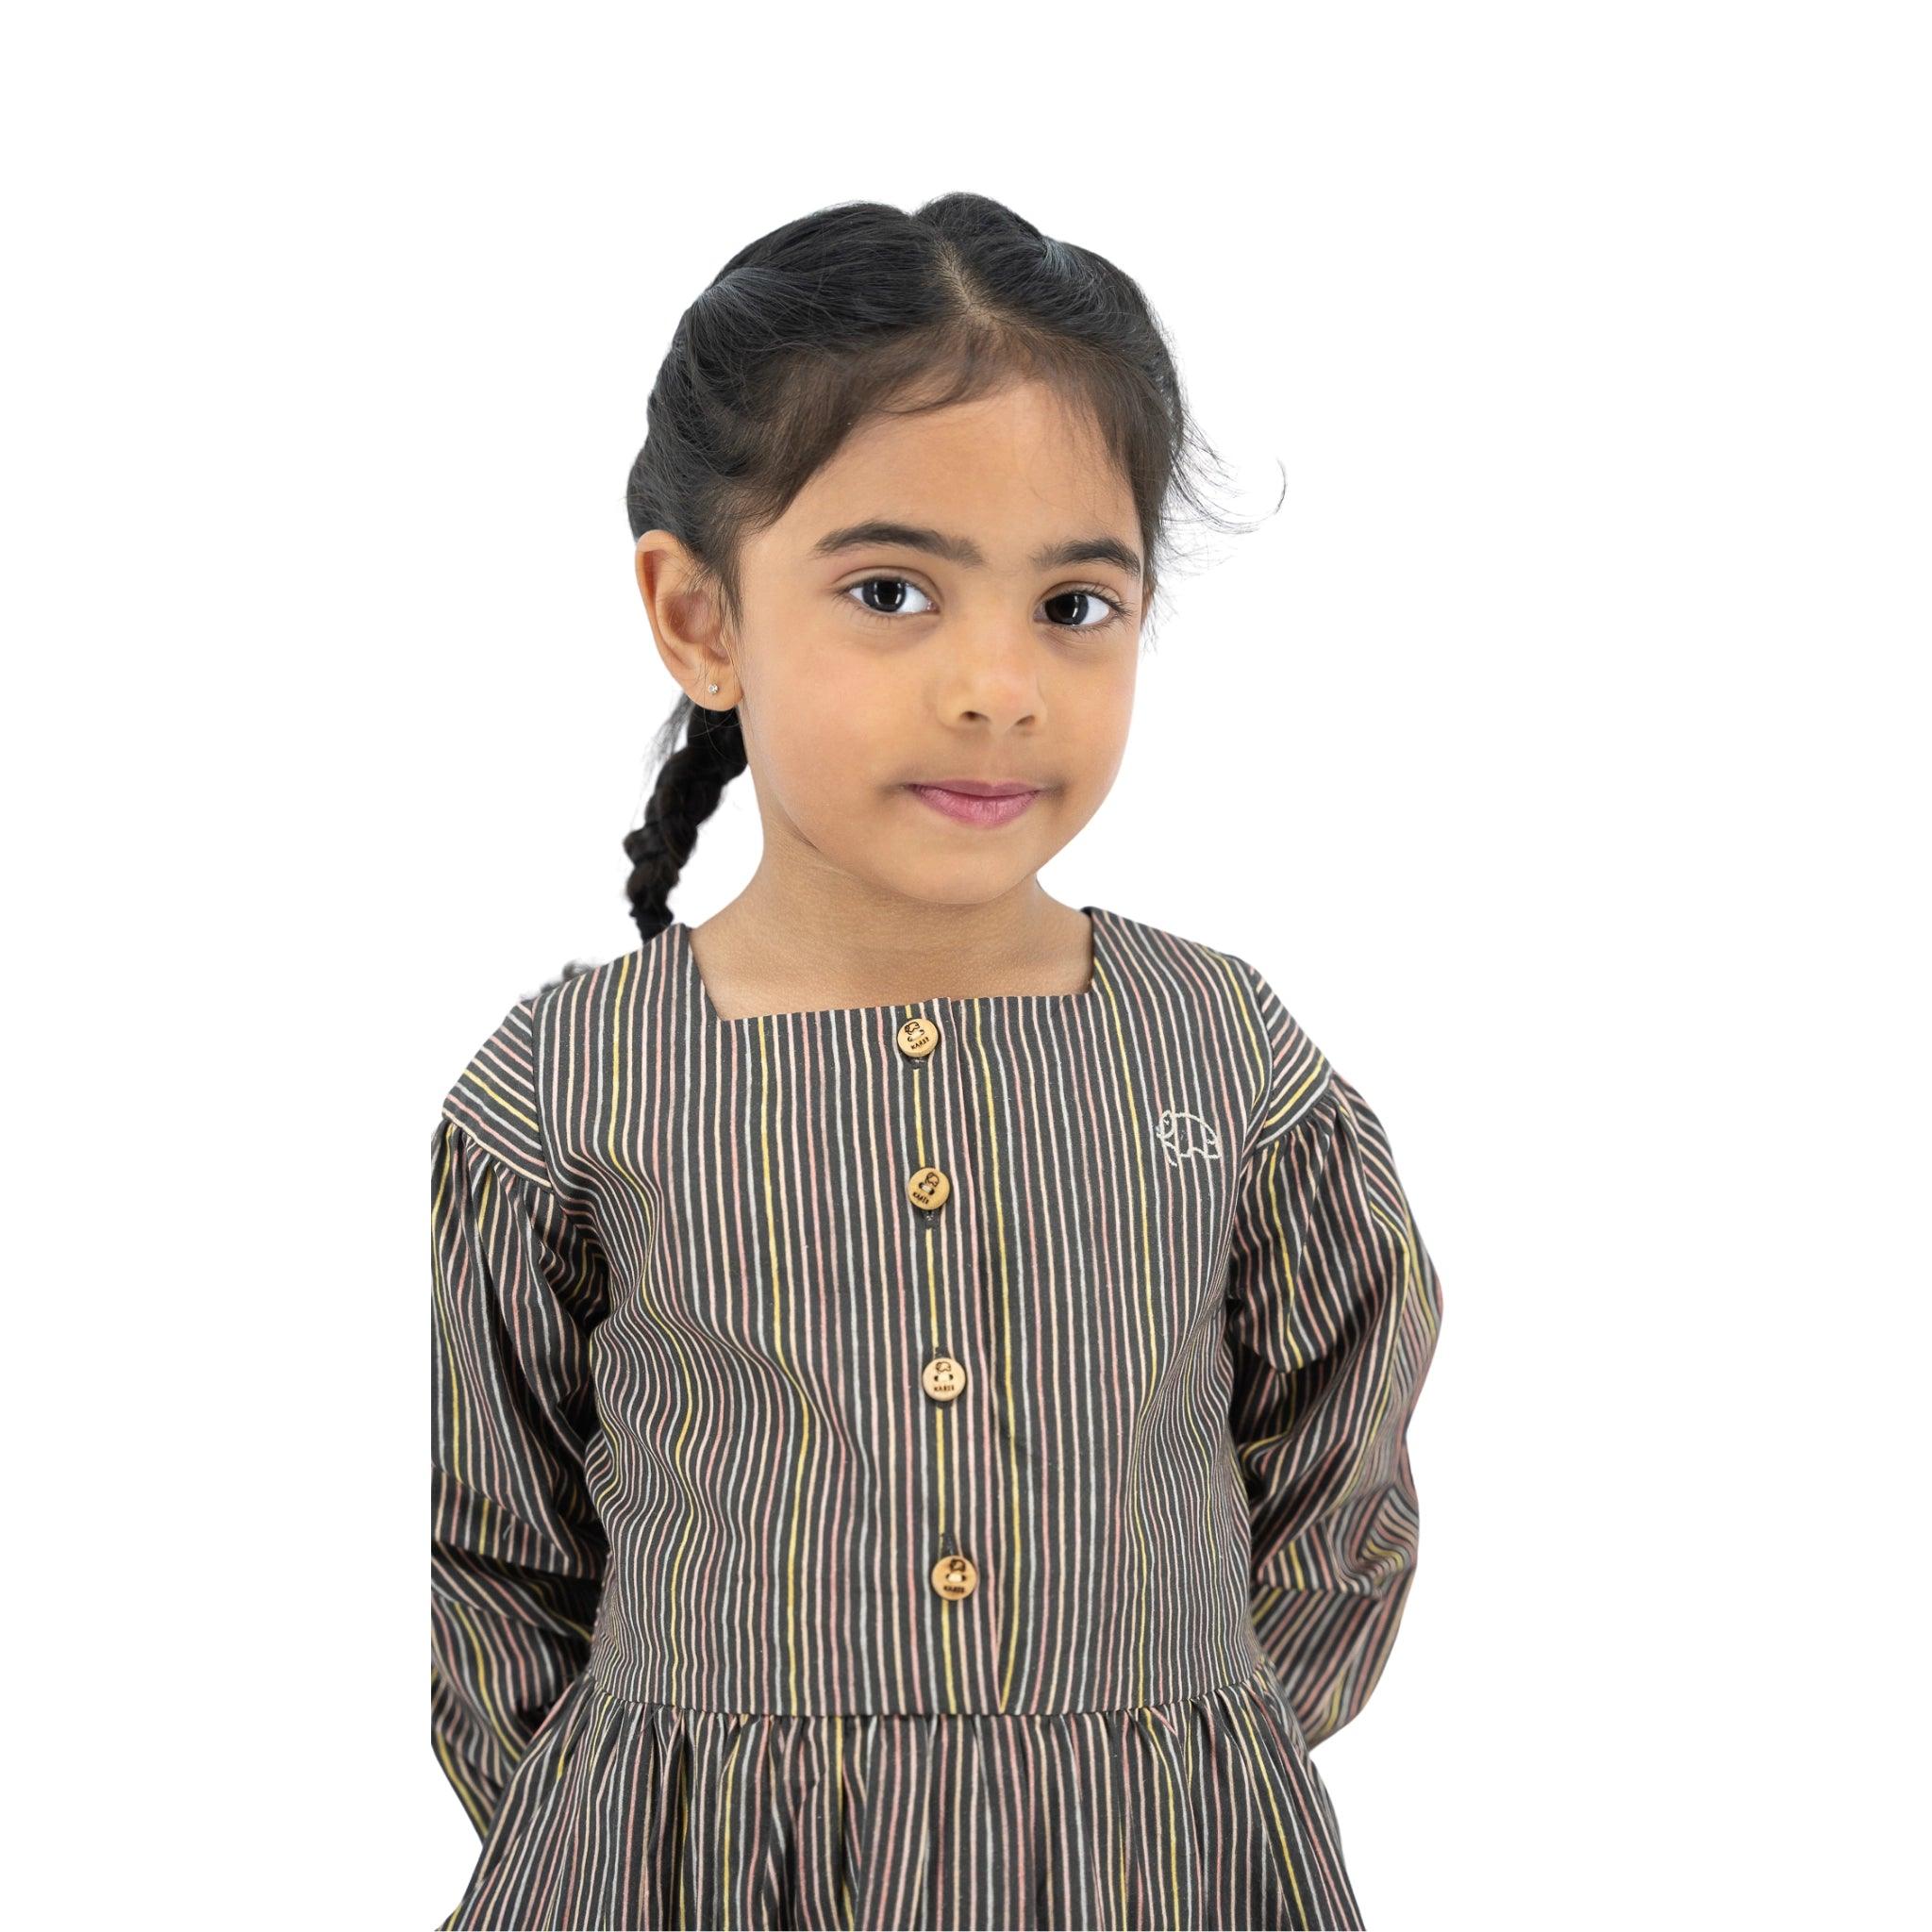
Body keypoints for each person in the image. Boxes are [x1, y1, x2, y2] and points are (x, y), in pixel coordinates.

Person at [428, 191, 1444, 1932]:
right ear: (701, 620)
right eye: (892, 591)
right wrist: (630, 1804)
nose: (998, 686)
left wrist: (1189, 1734)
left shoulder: (1216, 1055)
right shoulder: (563, 1089)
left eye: (1074, 604)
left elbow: (1342, 1427)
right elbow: (479, 1543)